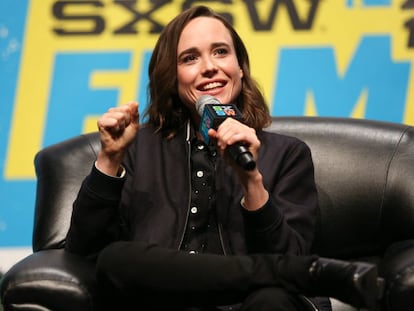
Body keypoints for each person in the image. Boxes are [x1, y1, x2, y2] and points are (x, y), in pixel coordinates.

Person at [64, 5, 382, 311]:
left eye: (221, 52)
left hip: (252, 306)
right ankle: (314, 272)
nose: (209, 67)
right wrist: (109, 159)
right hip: (163, 300)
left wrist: (251, 180)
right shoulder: (137, 149)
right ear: (172, 79)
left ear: (240, 68)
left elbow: (289, 253)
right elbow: (83, 254)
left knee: (272, 299)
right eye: (190, 58)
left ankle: (282, 275)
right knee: (116, 258)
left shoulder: (287, 153)